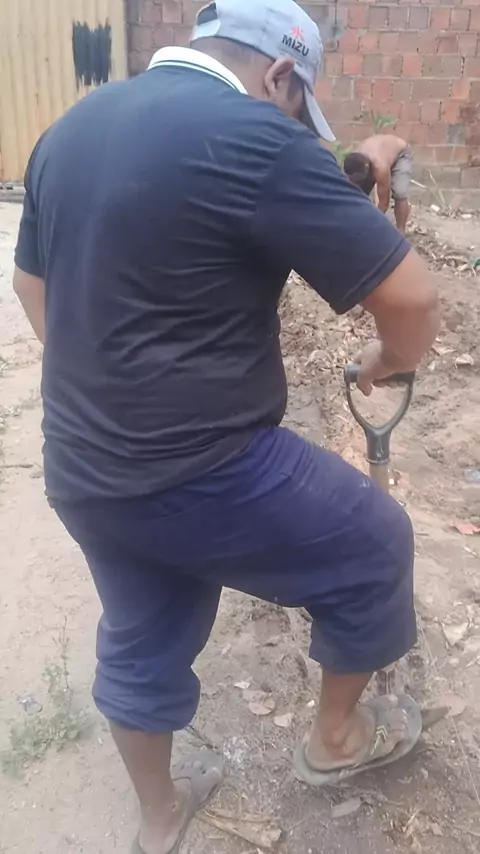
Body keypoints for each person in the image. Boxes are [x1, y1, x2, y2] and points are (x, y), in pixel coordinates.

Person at [13, 1, 439, 852]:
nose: (295, 127)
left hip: (84, 466)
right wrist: (389, 362)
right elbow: (413, 299)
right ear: (280, 74)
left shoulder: (73, 128)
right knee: (375, 544)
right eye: (297, 106)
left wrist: (113, 388)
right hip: (207, 469)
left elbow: (32, 287)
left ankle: (159, 820)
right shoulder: (257, 138)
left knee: (143, 627)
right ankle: (336, 740)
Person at [343, 135, 413, 233]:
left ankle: (401, 232)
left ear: (367, 167)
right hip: (379, 152)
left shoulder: (379, 166)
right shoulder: (352, 162)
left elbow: (383, 202)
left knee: (399, 193)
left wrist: (372, 225)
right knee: (359, 192)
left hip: (401, 154)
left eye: (360, 178)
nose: (358, 181)